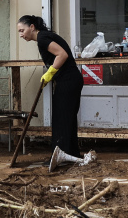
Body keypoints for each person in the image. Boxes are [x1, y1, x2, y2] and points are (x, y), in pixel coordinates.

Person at [16, 15, 96, 171]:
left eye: (22, 30)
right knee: (67, 118)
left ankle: (62, 156)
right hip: (70, 80)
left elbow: (62, 54)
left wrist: (51, 72)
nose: (21, 34)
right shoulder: (45, 37)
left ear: (32, 27)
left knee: (61, 118)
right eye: (19, 31)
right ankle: (71, 155)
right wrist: (51, 74)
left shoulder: (43, 38)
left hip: (68, 81)